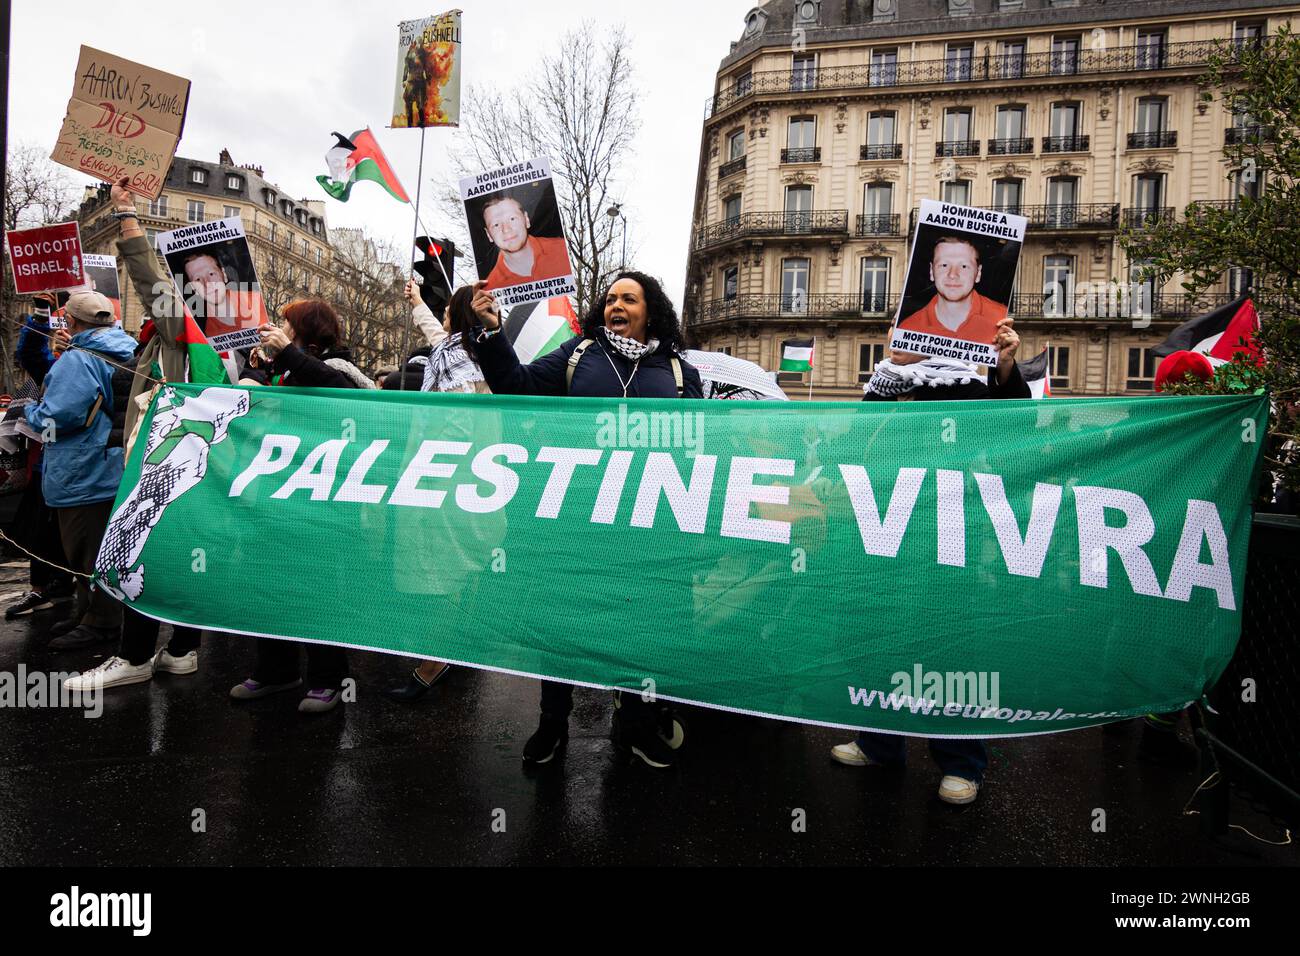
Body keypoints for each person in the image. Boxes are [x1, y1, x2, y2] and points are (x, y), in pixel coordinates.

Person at [469, 270, 703, 768]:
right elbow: (517, 386)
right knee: (563, 618)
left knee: (639, 621)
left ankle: (636, 724)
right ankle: (552, 722)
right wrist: (490, 331)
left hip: (647, 524)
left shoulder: (680, 373)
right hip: (577, 518)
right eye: (611, 298)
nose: (617, 305)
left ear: (651, 310)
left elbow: (699, 448)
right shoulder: (579, 354)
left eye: (630, 298)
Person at [831, 317, 1027, 805]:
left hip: (957, 521)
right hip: (896, 516)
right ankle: (879, 744)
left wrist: (1003, 368)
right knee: (883, 629)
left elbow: (1014, 428)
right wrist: (894, 371)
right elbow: (860, 436)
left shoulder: (978, 376)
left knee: (951, 638)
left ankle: (962, 761)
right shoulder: (896, 375)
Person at [228, 299, 369, 714]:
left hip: (323, 502)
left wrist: (286, 356)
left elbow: (342, 394)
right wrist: (258, 370)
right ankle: (276, 670)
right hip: (276, 497)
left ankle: (330, 679)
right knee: (268, 586)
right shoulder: (284, 368)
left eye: (287, 324)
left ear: (305, 329)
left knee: (317, 589)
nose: (280, 329)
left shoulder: (340, 368)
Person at [384, 280, 493, 703]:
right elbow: (436, 335)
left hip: (450, 481)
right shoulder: (453, 351)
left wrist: (433, 467)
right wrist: (416, 304)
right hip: (442, 478)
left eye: (447, 310)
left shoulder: (463, 361)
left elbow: (464, 422)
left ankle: (436, 659)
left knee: (447, 571)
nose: (442, 316)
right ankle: (450, 648)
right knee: (449, 570)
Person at [22, 291, 137, 651]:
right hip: (109, 464)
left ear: (71, 321)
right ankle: (88, 612)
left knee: (87, 550)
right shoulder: (126, 348)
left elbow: (60, 416)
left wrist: (28, 414)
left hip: (82, 468)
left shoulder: (78, 359)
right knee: (97, 548)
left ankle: (101, 621)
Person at [5, 295, 74, 620]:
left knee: (72, 534)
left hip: (81, 470)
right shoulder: (54, 366)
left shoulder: (102, 362)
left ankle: (77, 596)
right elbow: (31, 353)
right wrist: (43, 315)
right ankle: (43, 588)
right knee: (38, 527)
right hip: (46, 465)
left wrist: (35, 411)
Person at [899, 236, 1008, 344]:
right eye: (944, 265)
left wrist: (1007, 361)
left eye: (964, 266)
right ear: (931, 271)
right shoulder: (908, 328)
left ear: (978, 273)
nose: (952, 275)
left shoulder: (1001, 319)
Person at [481, 193, 571, 289]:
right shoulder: (490, 289)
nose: (506, 229)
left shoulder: (564, 250)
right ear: (488, 235)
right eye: (496, 225)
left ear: (526, 220)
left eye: (512, 219)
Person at [180, 250, 266, 339]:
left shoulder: (258, 301)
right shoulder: (206, 333)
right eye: (198, 279)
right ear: (194, 288)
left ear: (224, 275)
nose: (207, 283)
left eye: (211, 274)